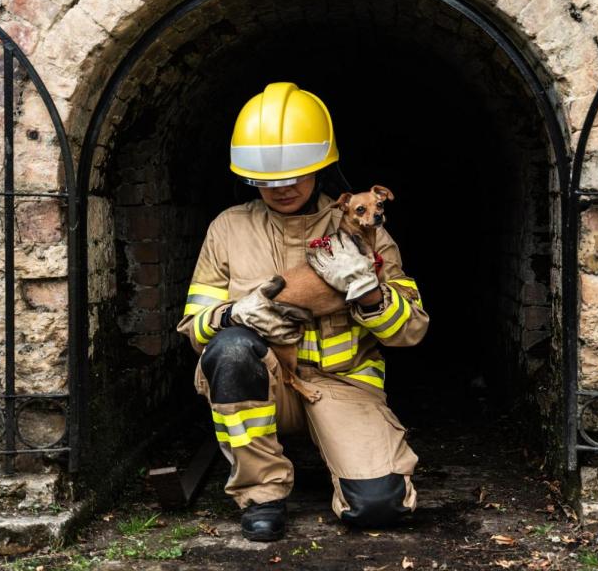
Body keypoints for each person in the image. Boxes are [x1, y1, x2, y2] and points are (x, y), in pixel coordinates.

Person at [176, 82, 429, 541]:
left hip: (343, 381)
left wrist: (368, 293)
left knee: (377, 507)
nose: (282, 188)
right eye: (266, 179)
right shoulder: (228, 228)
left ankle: (362, 476)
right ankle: (262, 495)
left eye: (294, 175)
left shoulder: (360, 224)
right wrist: (236, 314)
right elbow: (195, 326)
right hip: (269, 378)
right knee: (229, 351)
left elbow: (410, 330)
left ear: (322, 166)